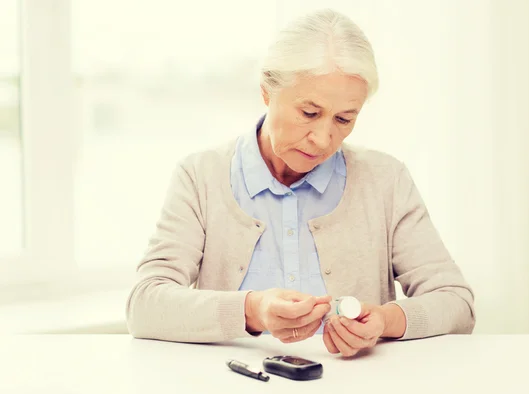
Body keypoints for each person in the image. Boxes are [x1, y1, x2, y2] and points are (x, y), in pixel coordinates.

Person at [125, 8, 475, 357]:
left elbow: (457, 303)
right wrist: (252, 309)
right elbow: (145, 306)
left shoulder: (386, 180)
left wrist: (387, 319)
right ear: (266, 91)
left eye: (344, 118)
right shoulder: (200, 176)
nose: (323, 139)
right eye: (309, 113)